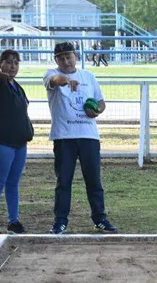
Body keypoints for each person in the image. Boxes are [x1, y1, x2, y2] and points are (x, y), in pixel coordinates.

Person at [44, 41, 118, 234]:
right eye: (61, 58)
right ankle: (60, 221)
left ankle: (100, 218)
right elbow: (56, 81)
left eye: (68, 56)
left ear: (76, 56)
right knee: (64, 181)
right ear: (56, 60)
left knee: (94, 180)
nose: (66, 61)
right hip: (64, 136)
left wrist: (97, 111)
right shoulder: (51, 74)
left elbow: (100, 102)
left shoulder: (88, 76)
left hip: (88, 136)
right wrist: (67, 81)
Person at [0, 49, 33, 237]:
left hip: (19, 142)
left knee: (13, 183)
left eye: (16, 63)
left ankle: (14, 221)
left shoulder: (15, 85)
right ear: (0, 63)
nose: (12, 66)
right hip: (0, 142)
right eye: (9, 62)